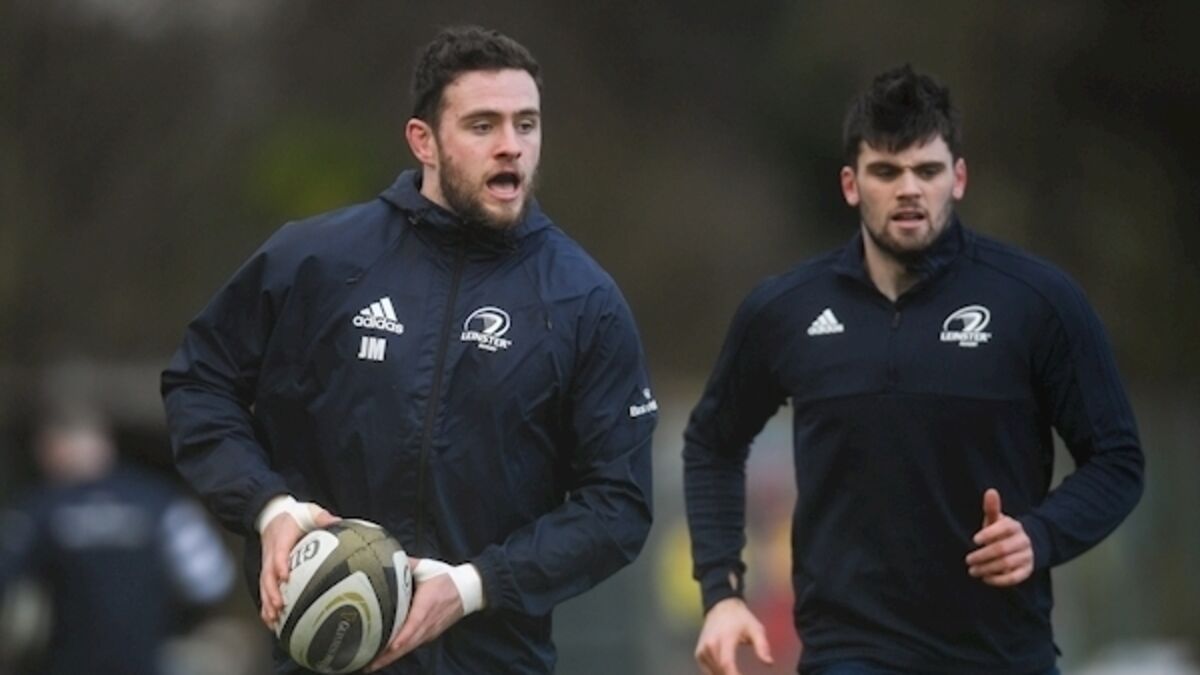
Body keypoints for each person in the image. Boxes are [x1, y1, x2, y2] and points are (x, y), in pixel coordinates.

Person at [161, 25, 656, 675]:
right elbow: (200, 383)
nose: (511, 146)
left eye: (526, 124)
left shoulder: (584, 302)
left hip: (493, 662)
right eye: (482, 125)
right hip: (320, 660)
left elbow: (618, 506)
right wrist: (268, 507)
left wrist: (474, 585)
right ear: (424, 141)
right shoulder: (317, 262)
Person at [683, 65, 1144, 675]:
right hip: (851, 654)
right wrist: (721, 592)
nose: (909, 189)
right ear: (851, 184)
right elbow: (713, 443)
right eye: (886, 171)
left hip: (1002, 655)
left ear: (959, 178)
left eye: (927, 171)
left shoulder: (1037, 302)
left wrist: (1041, 535)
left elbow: (1117, 460)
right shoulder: (785, 310)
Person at [0, 405, 235, 675]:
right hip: (146, 661)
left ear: (54, 447)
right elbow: (211, 581)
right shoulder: (159, 500)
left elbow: (5, 574)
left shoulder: (39, 508)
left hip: (67, 663)